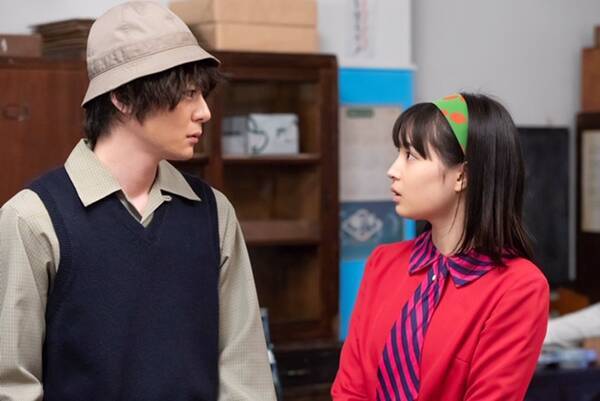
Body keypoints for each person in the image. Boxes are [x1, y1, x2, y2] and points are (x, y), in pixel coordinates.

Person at [0, 2, 276, 400]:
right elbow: (11, 385)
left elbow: (244, 373)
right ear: (123, 97)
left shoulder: (214, 213)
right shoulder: (32, 219)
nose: (204, 111)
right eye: (187, 93)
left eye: (203, 93)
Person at [331, 93, 549, 401]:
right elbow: (349, 388)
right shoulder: (383, 263)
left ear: (462, 175)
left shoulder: (519, 288)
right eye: (398, 153)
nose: (393, 170)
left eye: (411, 156)